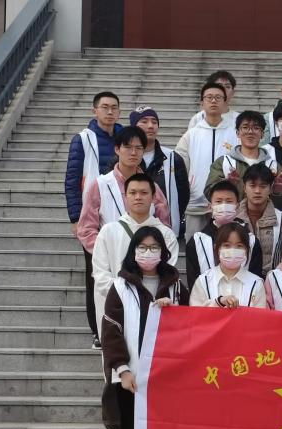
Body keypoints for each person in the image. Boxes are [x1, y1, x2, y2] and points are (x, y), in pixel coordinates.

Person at [102, 226, 189, 429]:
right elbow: (111, 331)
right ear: (133, 251)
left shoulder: (176, 287)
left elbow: (191, 325)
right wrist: (122, 369)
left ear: (163, 252)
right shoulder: (120, 286)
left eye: (154, 247)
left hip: (167, 378)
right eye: (143, 247)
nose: (148, 252)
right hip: (132, 379)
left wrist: (173, 312)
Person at [65, 91, 122, 352]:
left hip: (121, 214)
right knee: (95, 275)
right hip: (93, 217)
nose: (110, 112)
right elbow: (72, 179)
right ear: (94, 110)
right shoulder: (83, 139)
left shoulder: (125, 137)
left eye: (114, 108)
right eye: (105, 107)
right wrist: (75, 217)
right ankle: (98, 330)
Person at [93, 173, 179, 335]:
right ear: (125, 197)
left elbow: (168, 273)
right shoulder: (109, 231)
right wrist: (125, 296)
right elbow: (100, 273)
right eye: (132, 193)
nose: (138, 197)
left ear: (153, 197)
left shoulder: (166, 234)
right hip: (116, 308)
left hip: (155, 307)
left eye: (144, 193)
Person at [77, 126, 170, 254]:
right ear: (117, 149)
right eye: (128, 147)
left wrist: (152, 253)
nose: (133, 152)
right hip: (111, 257)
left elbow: (165, 226)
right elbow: (86, 229)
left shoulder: (151, 187)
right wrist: (105, 253)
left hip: (146, 257)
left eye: (138, 148)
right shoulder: (101, 185)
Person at [175, 82, 239, 239]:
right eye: (209, 97)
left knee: (225, 244)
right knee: (195, 246)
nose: (213, 101)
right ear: (202, 102)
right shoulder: (191, 135)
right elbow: (179, 166)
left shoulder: (234, 134)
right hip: (196, 202)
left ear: (225, 102)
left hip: (226, 204)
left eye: (218, 97)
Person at [204, 110, 282, 211]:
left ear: (262, 134)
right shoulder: (223, 162)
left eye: (256, 128)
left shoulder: (273, 166)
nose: (250, 132)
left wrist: (277, 192)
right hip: (233, 218)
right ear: (237, 133)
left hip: (265, 219)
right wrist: (227, 184)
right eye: (245, 127)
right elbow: (208, 193)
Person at [185, 180, 263, 291]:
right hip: (207, 300)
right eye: (218, 201)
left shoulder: (251, 240)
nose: (224, 205)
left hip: (243, 298)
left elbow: (256, 280)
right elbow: (194, 283)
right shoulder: (197, 241)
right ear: (210, 206)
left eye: (229, 201)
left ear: (237, 206)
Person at [131, 105, 189, 237]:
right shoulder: (124, 158)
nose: (150, 126)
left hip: (166, 229)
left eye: (154, 122)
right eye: (144, 121)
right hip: (131, 228)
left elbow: (183, 195)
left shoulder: (173, 158)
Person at [190, 222, 267, 308]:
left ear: (246, 250)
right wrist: (218, 302)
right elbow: (195, 313)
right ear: (217, 248)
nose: (233, 250)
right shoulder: (203, 281)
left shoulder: (256, 283)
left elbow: (260, 315)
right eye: (227, 245)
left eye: (239, 246)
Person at [236, 163, 282, 277]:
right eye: (252, 185)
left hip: (273, 282)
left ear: (270, 188)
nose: (257, 191)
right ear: (244, 188)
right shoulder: (233, 219)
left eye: (263, 186)